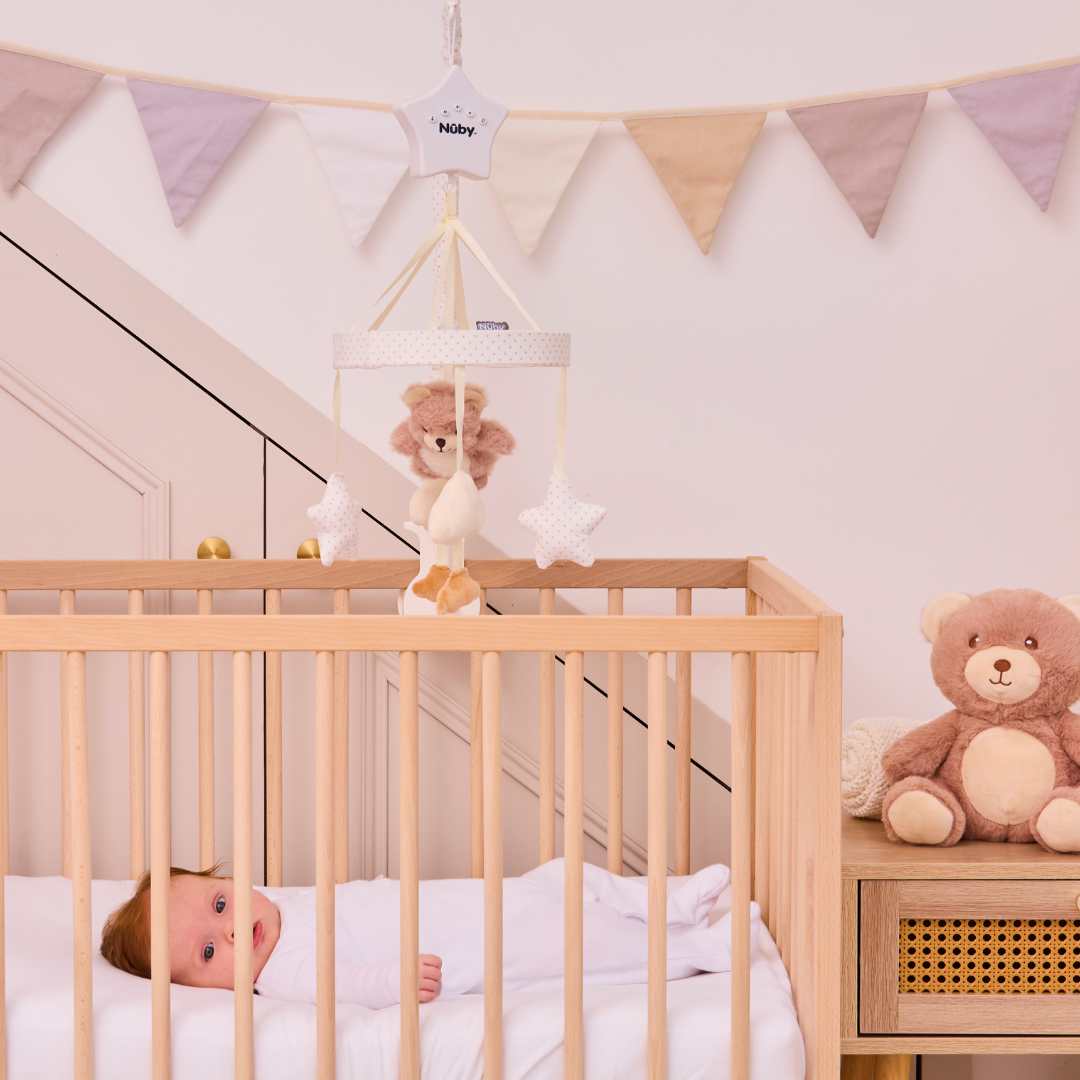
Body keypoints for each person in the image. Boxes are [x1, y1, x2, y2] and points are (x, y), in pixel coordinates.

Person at [101, 859, 743, 1008]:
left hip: (476, 901)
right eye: (210, 951)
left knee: (567, 877)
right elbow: (342, 985)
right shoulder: (282, 970)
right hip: (472, 945)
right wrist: (393, 980)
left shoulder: (280, 906)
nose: (235, 929)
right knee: (572, 945)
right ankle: (691, 951)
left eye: (220, 902)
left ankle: (668, 904)